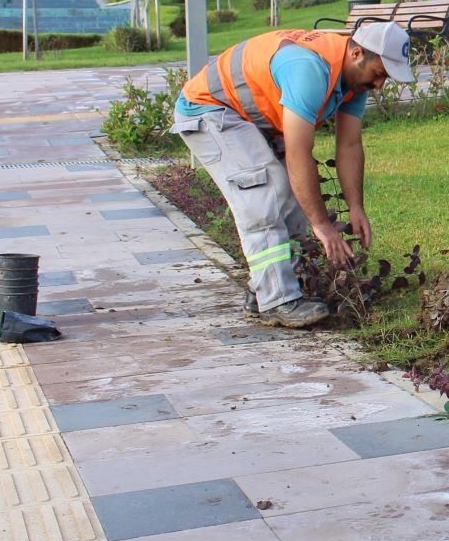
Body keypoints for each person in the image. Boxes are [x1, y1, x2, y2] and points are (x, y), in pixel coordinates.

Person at [171, 23, 414, 328]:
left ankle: (264, 289)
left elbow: (350, 145)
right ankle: (277, 301)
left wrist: (356, 207)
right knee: (265, 192)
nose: (380, 85)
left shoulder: (355, 78)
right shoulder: (309, 70)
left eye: (386, 78)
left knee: (298, 198)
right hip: (209, 109)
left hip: (251, 116)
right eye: (379, 73)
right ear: (356, 53)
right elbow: (299, 155)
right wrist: (322, 226)